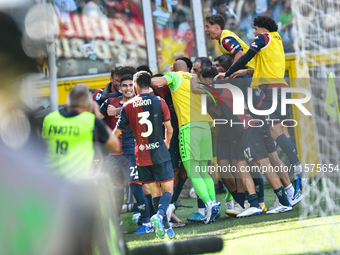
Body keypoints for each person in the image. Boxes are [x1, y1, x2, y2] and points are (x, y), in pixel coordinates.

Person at [222, 15, 305, 197]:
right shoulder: (277, 39)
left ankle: (299, 171)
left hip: (270, 90)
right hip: (282, 87)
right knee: (283, 132)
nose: (254, 32)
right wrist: (248, 71)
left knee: (275, 133)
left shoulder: (263, 38)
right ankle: (298, 175)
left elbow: (247, 56)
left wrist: (228, 72)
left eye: (256, 28)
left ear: (263, 29)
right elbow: (268, 65)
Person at [192, 67, 293, 216]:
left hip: (249, 130)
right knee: (240, 165)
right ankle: (254, 204)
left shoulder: (220, 88)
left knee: (264, 165)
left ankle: (284, 202)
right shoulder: (232, 88)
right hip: (246, 131)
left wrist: (193, 76)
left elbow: (195, 89)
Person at [151, 60, 220, 224]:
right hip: (205, 126)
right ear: (188, 69)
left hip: (189, 127)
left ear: (173, 69)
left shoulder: (175, 76)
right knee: (204, 170)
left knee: (193, 171)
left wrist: (146, 78)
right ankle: (213, 203)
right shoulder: (196, 78)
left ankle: (209, 204)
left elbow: (155, 82)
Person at [113, 71, 175, 239]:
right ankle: (160, 215)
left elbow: (116, 132)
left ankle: (167, 229)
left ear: (136, 85)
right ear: (150, 84)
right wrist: (166, 144)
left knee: (155, 192)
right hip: (160, 153)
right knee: (168, 189)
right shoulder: (160, 101)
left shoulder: (127, 106)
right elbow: (169, 129)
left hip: (141, 156)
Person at [100, 74, 153, 234]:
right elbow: (95, 119)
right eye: (124, 85)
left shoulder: (141, 101)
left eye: (131, 85)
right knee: (114, 190)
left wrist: (117, 111)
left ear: (135, 86)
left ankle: (147, 222)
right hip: (113, 154)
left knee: (137, 189)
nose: (128, 88)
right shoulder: (109, 102)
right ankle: (115, 225)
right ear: (120, 87)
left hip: (133, 153)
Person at [41, 85, 120, 180]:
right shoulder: (90, 120)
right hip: (78, 182)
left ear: (67, 105)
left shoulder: (50, 119)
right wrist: (95, 115)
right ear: (90, 107)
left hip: (50, 178)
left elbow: (42, 144)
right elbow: (115, 146)